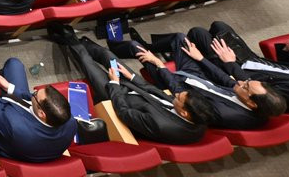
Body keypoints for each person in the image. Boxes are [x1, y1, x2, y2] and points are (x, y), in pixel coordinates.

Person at [48, 26, 208, 144]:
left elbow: (124, 112)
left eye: (178, 98)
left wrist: (114, 83)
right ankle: (82, 43)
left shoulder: (160, 124)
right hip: (134, 86)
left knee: (88, 64)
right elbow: (154, 91)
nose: (176, 94)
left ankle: (70, 39)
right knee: (108, 55)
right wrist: (131, 77)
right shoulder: (197, 118)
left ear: (184, 113)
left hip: (116, 97)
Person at [128, 33, 286, 130]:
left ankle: (117, 44)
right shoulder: (250, 99)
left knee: (136, 48)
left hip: (179, 88)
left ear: (251, 103)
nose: (240, 82)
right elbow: (225, 80)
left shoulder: (225, 113)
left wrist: (160, 65)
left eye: (245, 86)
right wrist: (201, 59)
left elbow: (182, 95)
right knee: (181, 39)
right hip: (198, 77)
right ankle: (150, 45)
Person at [190, 19, 289, 114]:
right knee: (219, 26)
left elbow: (255, 91)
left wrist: (229, 62)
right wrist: (288, 50)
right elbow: (286, 70)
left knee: (198, 33)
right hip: (255, 62)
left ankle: (195, 60)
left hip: (240, 74)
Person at [0, 56, 75, 162]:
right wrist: (9, 87)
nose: (34, 92)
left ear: (42, 113)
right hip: (16, 109)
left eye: (35, 94)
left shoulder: (14, 126)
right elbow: (31, 98)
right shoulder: (68, 119)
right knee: (14, 63)